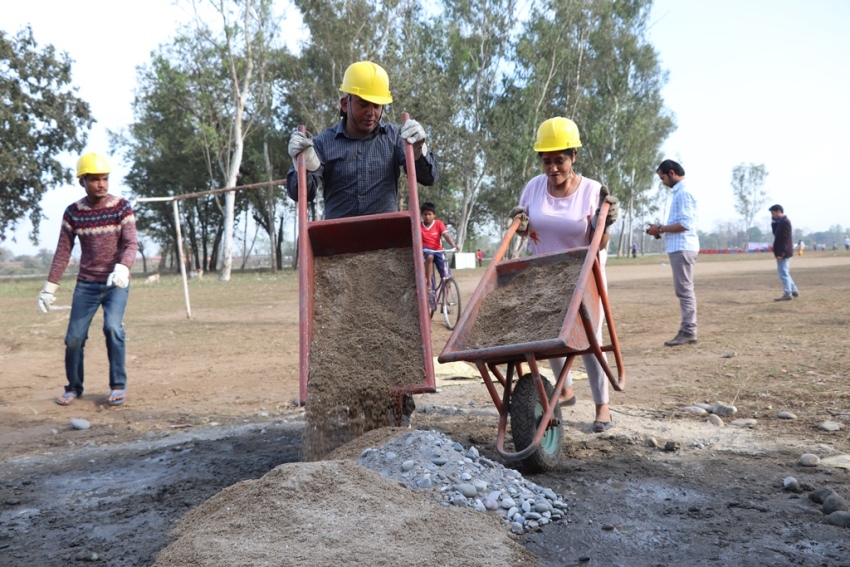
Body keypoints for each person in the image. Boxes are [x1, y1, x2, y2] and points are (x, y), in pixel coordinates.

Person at [509, 117, 619, 433]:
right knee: (550, 335)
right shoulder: (533, 187)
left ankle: (603, 408)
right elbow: (525, 230)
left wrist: (606, 223)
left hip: (585, 274)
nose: (553, 168)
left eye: (560, 160)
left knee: (589, 341)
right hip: (544, 274)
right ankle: (565, 389)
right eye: (547, 161)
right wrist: (519, 224)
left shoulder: (592, 190)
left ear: (574, 157)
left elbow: (601, 240)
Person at [38, 153, 138, 406]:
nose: (102, 184)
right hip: (87, 285)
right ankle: (73, 386)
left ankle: (117, 384)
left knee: (113, 328)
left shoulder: (121, 207)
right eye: (95, 179)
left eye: (105, 178)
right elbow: (63, 252)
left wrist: (123, 268)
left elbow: (130, 243)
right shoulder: (73, 213)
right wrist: (49, 288)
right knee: (74, 338)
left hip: (116, 283)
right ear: (82, 181)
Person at [285, 60, 438, 218]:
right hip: (338, 238)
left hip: (386, 238)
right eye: (363, 104)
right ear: (345, 104)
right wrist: (303, 166)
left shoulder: (395, 138)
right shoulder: (322, 144)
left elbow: (429, 178)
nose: (371, 112)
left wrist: (418, 150)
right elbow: (300, 194)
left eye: (377, 105)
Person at [646, 159, 699, 347]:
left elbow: (686, 224)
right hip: (680, 247)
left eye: (662, 178)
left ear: (671, 173)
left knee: (685, 290)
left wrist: (660, 228)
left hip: (683, 247)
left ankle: (689, 331)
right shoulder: (680, 193)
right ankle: (688, 329)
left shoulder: (683, 193)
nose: (662, 182)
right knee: (683, 290)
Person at [420, 202, 458, 296]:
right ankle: (429, 282)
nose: (427, 217)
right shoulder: (419, 225)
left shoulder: (439, 224)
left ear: (434, 215)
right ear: (422, 215)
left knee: (447, 277)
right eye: (425, 214)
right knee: (429, 257)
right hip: (426, 250)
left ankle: (446, 301)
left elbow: (446, 235)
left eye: (430, 214)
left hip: (438, 251)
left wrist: (454, 245)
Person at [769, 204, 799, 301]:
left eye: (773, 213)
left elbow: (785, 240)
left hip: (784, 252)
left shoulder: (785, 222)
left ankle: (787, 293)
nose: (772, 215)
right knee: (785, 272)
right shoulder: (780, 222)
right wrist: (774, 223)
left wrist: (781, 253)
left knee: (783, 273)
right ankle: (793, 290)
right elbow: (776, 234)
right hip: (782, 251)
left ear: (779, 211)